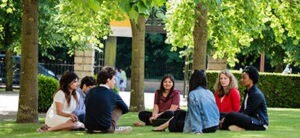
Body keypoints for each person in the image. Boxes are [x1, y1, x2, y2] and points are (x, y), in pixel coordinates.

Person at [153, 70, 219, 134]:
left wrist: (197, 130)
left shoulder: (193, 94)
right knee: (179, 112)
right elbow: (215, 110)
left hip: (204, 127)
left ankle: (161, 127)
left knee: (174, 123)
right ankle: (162, 126)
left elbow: (195, 113)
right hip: (214, 126)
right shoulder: (209, 92)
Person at [221, 66, 269, 131]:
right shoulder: (248, 92)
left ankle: (221, 125)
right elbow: (241, 111)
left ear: (251, 79)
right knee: (221, 114)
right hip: (248, 119)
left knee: (231, 115)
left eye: (244, 78)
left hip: (259, 123)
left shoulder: (256, 94)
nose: (241, 80)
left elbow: (247, 112)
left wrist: (227, 118)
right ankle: (229, 126)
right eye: (241, 78)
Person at [85, 66, 131, 133]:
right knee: (119, 108)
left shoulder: (90, 92)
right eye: (114, 79)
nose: (114, 82)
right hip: (105, 127)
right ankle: (114, 127)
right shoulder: (112, 94)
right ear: (108, 80)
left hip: (89, 127)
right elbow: (126, 108)